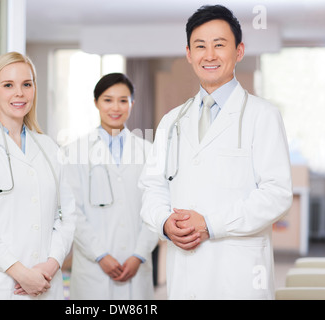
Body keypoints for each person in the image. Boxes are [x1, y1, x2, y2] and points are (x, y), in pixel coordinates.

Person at [139, 5, 293, 299]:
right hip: (185, 275)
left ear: (239, 51)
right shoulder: (172, 121)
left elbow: (277, 195)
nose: (209, 55)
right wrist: (163, 221)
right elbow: (152, 187)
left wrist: (211, 224)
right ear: (188, 54)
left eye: (219, 45)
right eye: (200, 46)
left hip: (239, 277)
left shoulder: (262, 116)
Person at [0, 52, 76, 300]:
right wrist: (21, 273)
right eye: (8, 85)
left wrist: (51, 265)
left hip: (45, 282)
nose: (19, 93)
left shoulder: (49, 148)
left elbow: (67, 215)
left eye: (26, 84)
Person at [62, 73, 158, 299]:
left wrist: (139, 255)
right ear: (96, 102)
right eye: (108, 99)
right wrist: (101, 255)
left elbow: (155, 208)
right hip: (93, 269)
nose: (116, 107)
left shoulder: (148, 151)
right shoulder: (74, 152)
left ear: (132, 104)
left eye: (123, 100)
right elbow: (72, 210)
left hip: (137, 266)